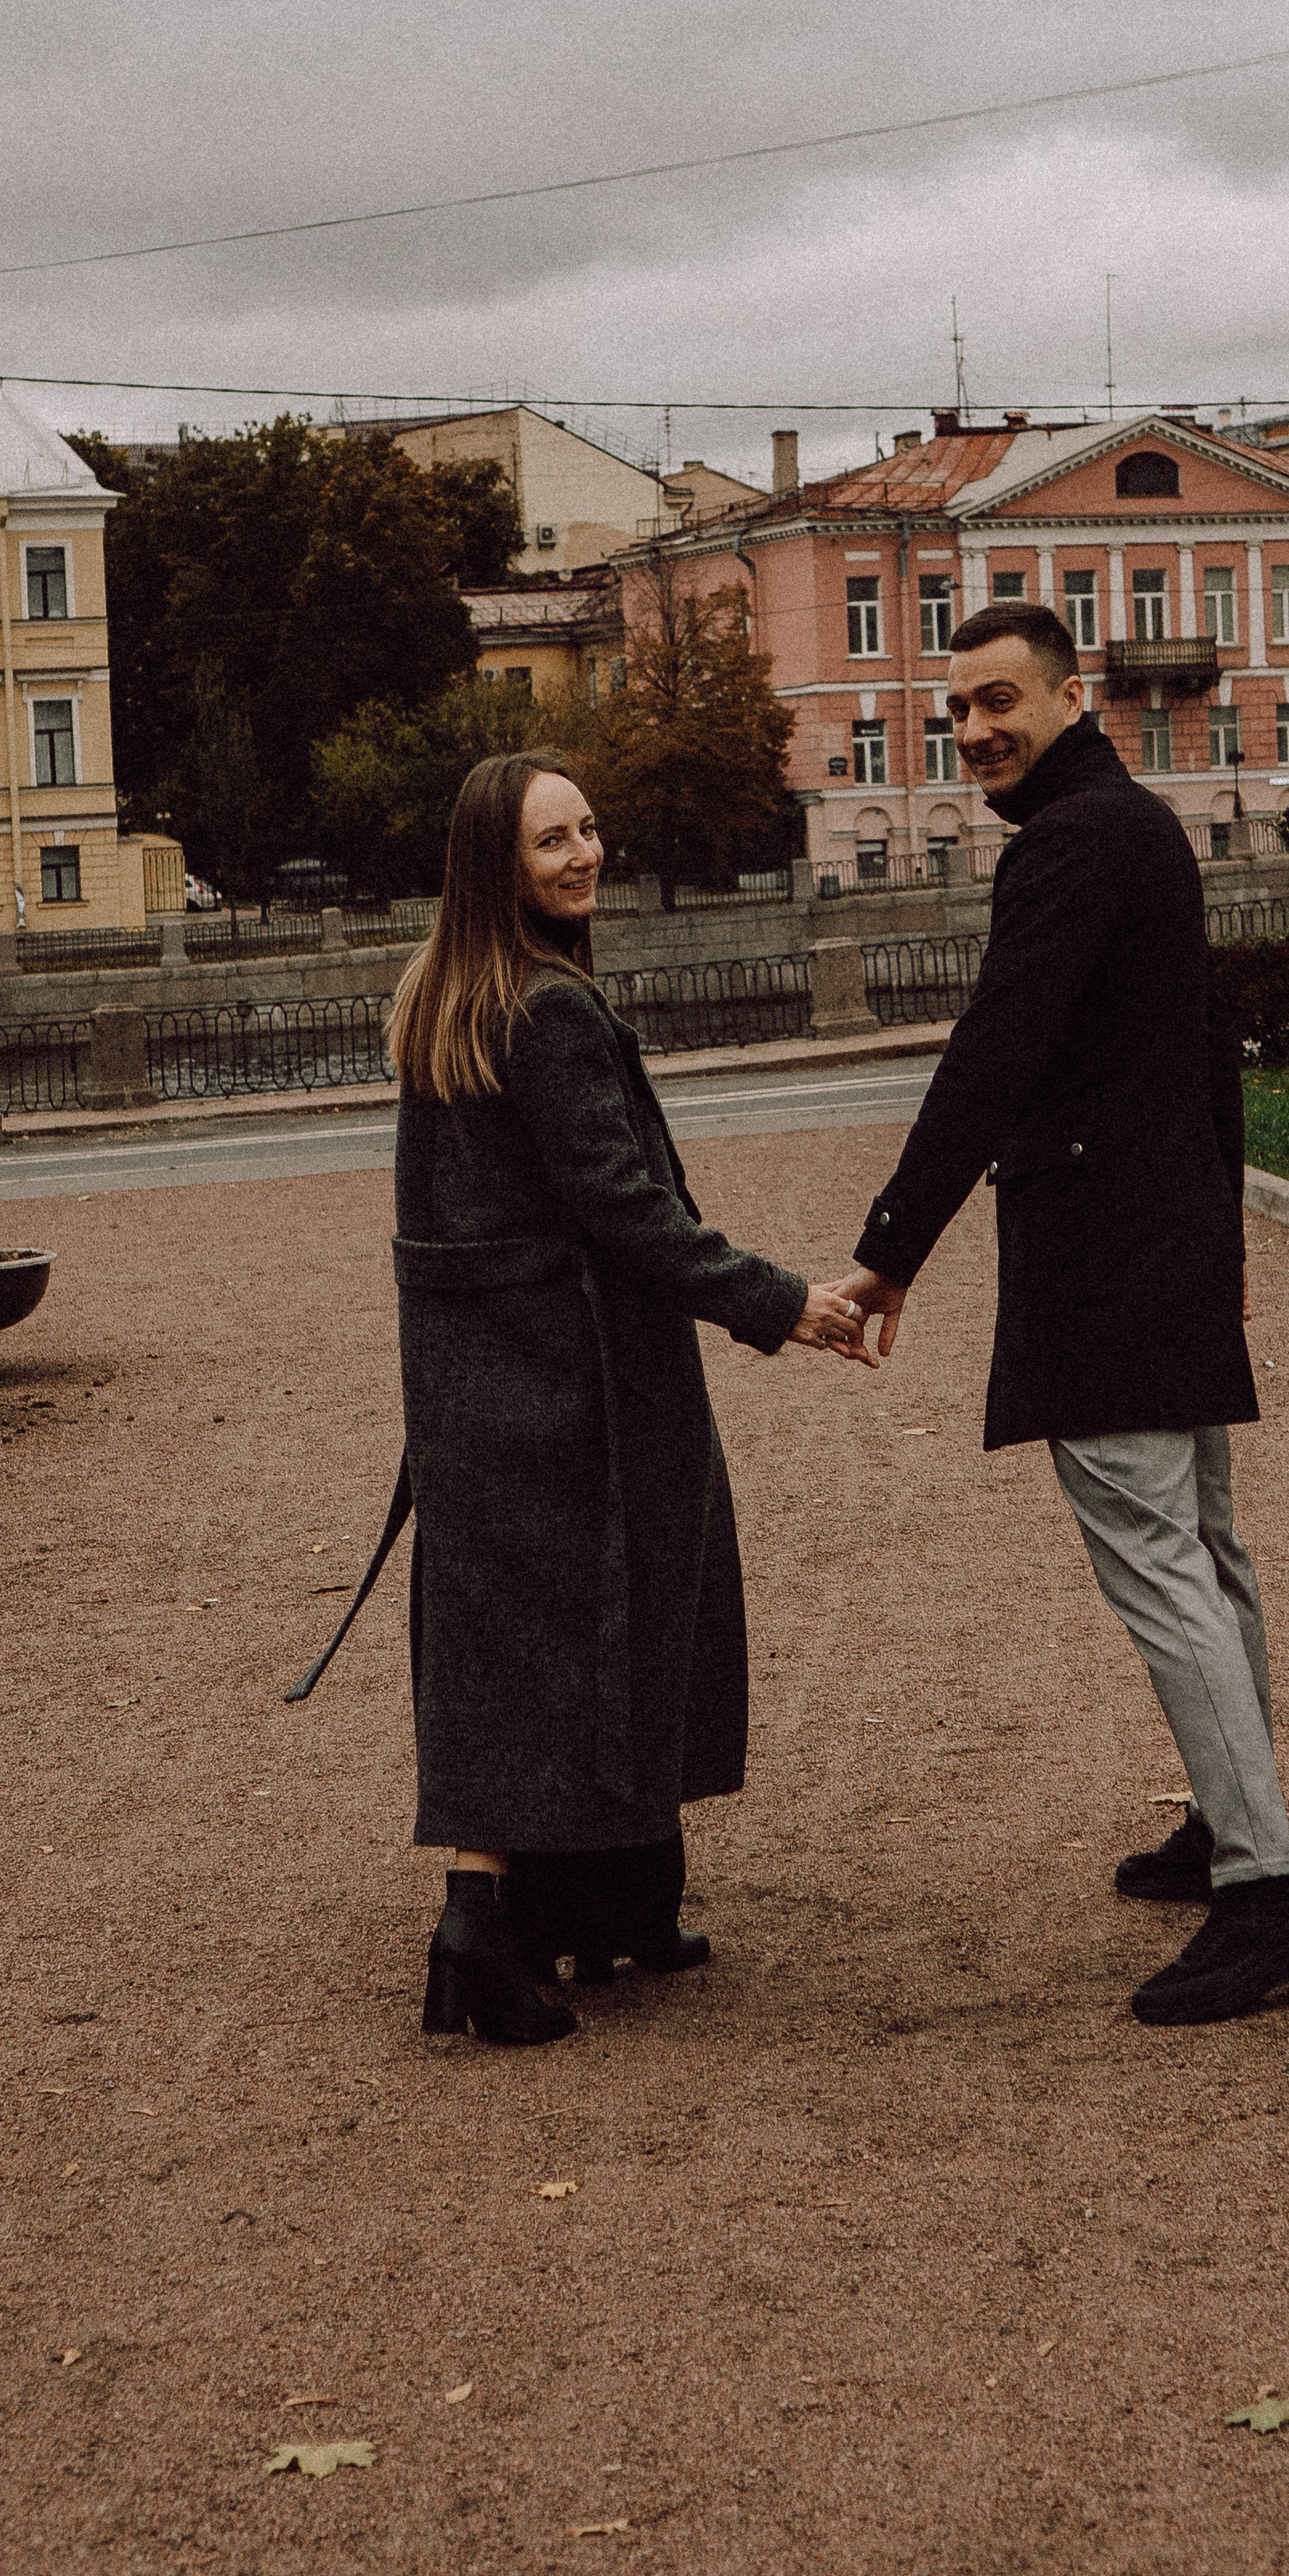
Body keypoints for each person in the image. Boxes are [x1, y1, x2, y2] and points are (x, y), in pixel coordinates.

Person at [843, 605, 1289, 2025]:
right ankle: (1230, 1823)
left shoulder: (1068, 844)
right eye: (960, 710)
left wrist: (891, 1249)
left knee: (1162, 1566)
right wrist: (1223, 1232)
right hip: (1167, 1240)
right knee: (1209, 1554)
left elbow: (994, 1052)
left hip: (1104, 1258)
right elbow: (1208, 1047)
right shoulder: (1142, 827)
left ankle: (1267, 1887)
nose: (975, 729)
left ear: (1072, 700)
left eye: (1000, 701)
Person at [386, 752, 868, 2047]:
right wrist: (780, 1301)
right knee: (619, 1621)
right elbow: (626, 1209)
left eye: (590, 828)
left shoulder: (445, 999)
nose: (585, 854)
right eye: (553, 841)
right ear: (496, 866)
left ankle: (604, 1900)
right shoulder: (546, 1011)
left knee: (525, 1648)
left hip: (482, 1380)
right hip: (579, 1379)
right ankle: (496, 1931)